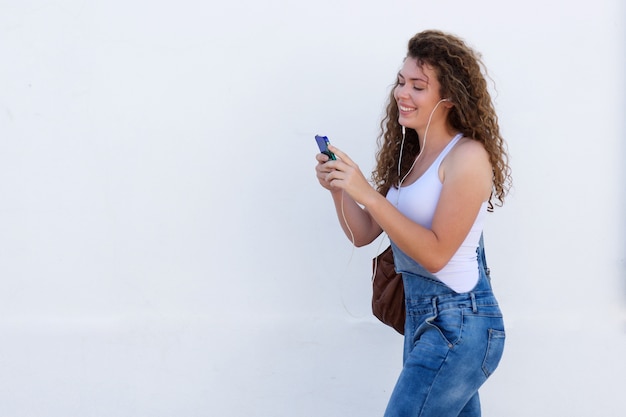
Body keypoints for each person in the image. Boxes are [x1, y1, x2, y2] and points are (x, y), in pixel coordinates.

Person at [314, 30, 511, 417]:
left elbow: (437, 254)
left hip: (460, 322)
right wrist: (339, 187)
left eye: (418, 86)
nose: (402, 93)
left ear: (450, 96)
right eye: (401, 82)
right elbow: (363, 234)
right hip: (425, 321)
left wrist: (367, 192)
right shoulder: (411, 157)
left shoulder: (467, 157)